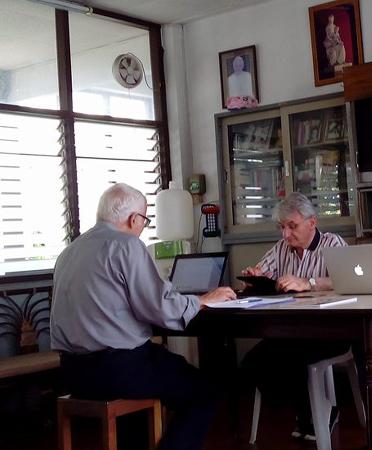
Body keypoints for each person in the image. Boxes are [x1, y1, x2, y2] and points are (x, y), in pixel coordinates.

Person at [50, 183, 236, 450]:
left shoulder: (68, 252)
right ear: (133, 219)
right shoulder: (126, 244)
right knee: (205, 390)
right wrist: (202, 300)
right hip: (117, 370)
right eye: (145, 221)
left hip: (72, 372)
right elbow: (160, 307)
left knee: (158, 374)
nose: (142, 227)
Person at [241, 192, 348, 440]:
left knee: (291, 357)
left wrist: (309, 282)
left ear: (312, 223)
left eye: (292, 226)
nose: (286, 234)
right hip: (291, 331)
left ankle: (321, 412)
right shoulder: (282, 248)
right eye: (282, 227)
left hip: (331, 330)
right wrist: (255, 277)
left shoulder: (332, 244)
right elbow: (263, 273)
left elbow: (347, 279)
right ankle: (306, 411)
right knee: (252, 362)